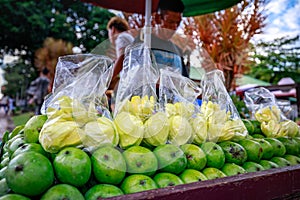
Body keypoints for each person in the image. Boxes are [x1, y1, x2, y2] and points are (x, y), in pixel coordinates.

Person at [132, 0, 189, 77]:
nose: (174, 27)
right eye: (170, 22)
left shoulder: (177, 51)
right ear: (157, 18)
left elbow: (185, 81)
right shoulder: (143, 43)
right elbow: (134, 74)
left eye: (178, 23)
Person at [107, 16, 135, 90]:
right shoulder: (128, 37)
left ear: (113, 29)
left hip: (132, 80)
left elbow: (122, 58)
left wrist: (108, 79)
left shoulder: (121, 37)